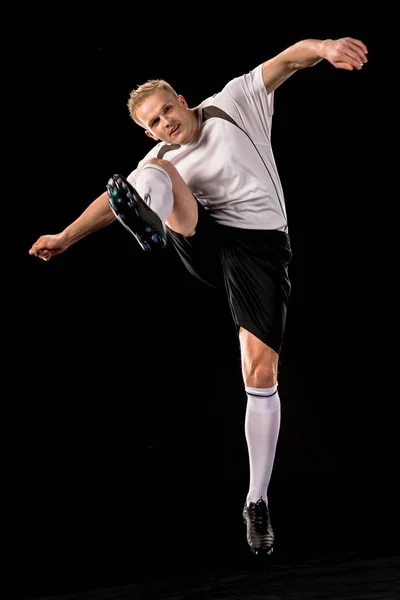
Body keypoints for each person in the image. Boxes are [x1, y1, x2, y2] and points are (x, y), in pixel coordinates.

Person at [29, 36, 368, 556]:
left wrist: (323, 48)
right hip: (201, 239)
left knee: (260, 374)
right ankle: (150, 226)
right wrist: (66, 236)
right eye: (153, 123)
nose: (165, 124)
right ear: (147, 130)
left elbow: (287, 60)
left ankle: (256, 502)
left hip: (259, 249)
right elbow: (106, 200)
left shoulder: (233, 102)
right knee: (154, 172)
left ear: (183, 102)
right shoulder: (159, 152)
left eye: (168, 111)